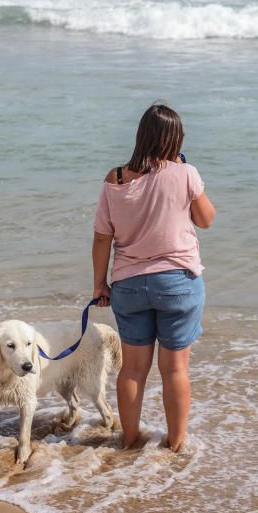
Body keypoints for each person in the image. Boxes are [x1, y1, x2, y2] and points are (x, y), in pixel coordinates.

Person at [92, 104, 216, 452]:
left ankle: (129, 440)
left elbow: (103, 237)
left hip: (129, 285)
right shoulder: (185, 173)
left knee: (132, 369)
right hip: (178, 281)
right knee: (174, 369)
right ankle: (175, 445)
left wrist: (99, 284)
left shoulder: (115, 179)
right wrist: (182, 172)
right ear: (174, 140)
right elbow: (206, 219)